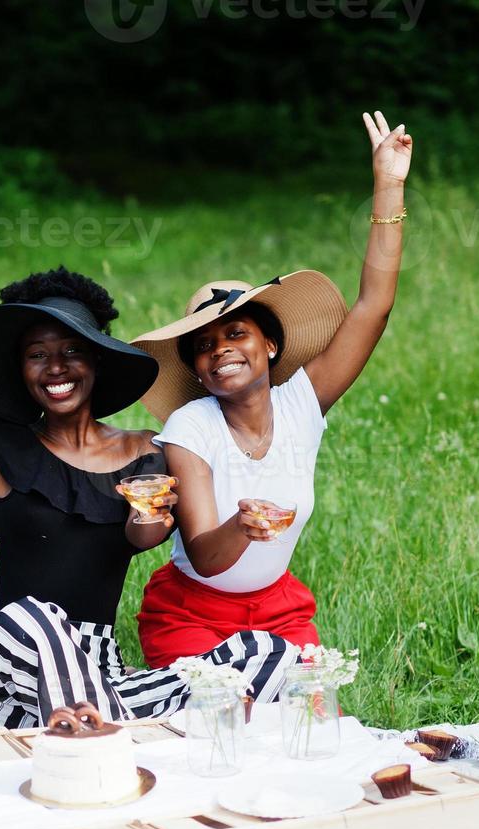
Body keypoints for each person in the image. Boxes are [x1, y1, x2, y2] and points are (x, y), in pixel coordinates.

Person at [0, 111, 299, 729]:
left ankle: (109, 730)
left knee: (265, 653)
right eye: (37, 355)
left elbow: (148, 539)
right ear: (21, 371)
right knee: (34, 617)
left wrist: (147, 516)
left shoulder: (148, 454)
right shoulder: (4, 442)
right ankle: (102, 735)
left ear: (99, 363)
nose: (55, 368)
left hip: (103, 678)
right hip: (14, 670)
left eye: (71, 352)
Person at [134, 110, 414, 667]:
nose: (221, 350)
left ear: (271, 346)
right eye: (205, 345)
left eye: (235, 333)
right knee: (224, 722)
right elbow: (206, 558)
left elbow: (374, 307)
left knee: (311, 726)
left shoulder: (301, 405)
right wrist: (241, 524)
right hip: (192, 615)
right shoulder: (190, 427)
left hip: (279, 609)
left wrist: (387, 185)